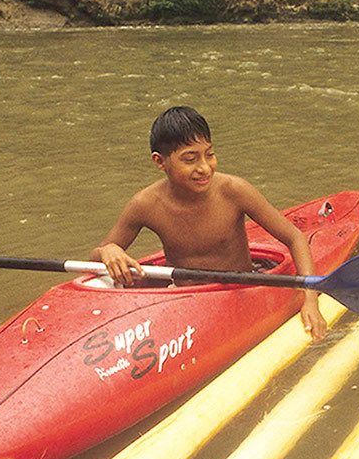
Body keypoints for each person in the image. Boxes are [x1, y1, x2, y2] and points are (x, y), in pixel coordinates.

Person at [92, 105, 327, 340]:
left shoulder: (234, 191)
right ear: (160, 162)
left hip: (240, 290)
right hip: (185, 298)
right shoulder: (146, 204)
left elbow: (294, 237)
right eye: (190, 159)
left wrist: (310, 300)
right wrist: (108, 251)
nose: (204, 168)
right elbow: (91, 264)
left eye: (210, 154)